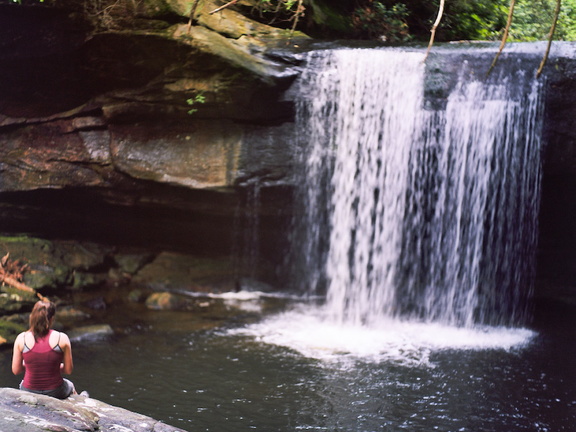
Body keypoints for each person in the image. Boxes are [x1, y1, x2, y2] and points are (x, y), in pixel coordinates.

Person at [12, 300, 76, 399]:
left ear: (32, 317)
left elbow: (16, 370)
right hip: (55, 391)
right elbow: (68, 370)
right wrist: (51, 366)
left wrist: (32, 366)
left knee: (22, 383)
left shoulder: (21, 338)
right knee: (70, 384)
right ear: (52, 319)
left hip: (29, 390)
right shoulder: (61, 338)